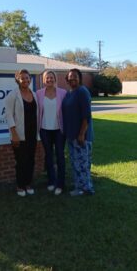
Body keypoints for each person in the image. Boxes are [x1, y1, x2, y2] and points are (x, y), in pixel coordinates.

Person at [5, 69, 38, 197]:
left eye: (27, 78)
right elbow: (8, 115)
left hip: (32, 134)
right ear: (17, 80)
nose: (25, 80)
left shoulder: (34, 94)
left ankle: (28, 184)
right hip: (19, 134)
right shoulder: (13, 95)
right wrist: (13, 134)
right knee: (21, 161)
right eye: (22, 78)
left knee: (31, 160)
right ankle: (20, 185)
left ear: (30, 79)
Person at [62, 68, 95, 196]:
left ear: (79, 78)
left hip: (81, 136)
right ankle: (79, 185)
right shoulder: (70, 93)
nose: (72, 78)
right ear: (67, 79)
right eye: (70, 76)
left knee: (82, 163)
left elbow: (86, 115)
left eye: (75, 76)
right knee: (76, 162)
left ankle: (85, 189)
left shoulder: (82, 91)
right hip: (71, 135)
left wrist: (81, 134)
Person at [36, 71, 67, 196]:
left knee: (60, 156)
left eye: (51, 77)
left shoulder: (63, 93)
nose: (49, 79)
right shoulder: (38, 94)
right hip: (44, 130)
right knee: (48, 156)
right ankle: (51, 181)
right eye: (47, 78)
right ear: (44, 80)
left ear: (55, 79)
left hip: (59, 130)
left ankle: (60, 184)